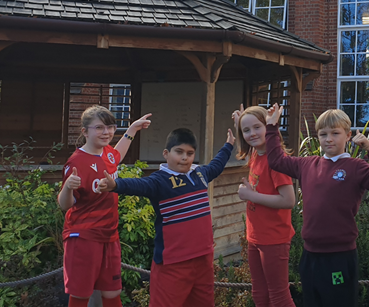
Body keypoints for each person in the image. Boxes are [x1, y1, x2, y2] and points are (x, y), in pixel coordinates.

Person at [265, 104, 369, 307]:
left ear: (348, 136)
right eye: (323, 134)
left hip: (339, 257)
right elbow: (275, 160)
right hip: (310, 256)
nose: (328, 139)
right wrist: (272, 127)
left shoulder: (356, 167)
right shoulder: (307, 164)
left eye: (335, 133)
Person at [95, 127, 235, 307]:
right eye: (179, 152)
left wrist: (229, 144)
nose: (184, 157)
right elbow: (138, 185)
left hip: (203, 258)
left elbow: (216, 165)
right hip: (172, 263)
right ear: (166, 153)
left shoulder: (200, 174)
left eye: (190, 153)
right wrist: (115, 185)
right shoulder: (159, 181)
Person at [58, 106, 152, 307]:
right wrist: (67, 187)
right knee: (81, 294)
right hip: (83, 236)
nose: (106, 132)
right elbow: (65, 205)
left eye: (110, 127)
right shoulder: (76, 162)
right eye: (99, 128)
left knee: (112, 291)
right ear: (85, 131)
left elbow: (117, 155)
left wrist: (133, 129)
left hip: (110, 235)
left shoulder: (107, 152)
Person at [231, 105, 297, 307]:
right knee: (260, 295)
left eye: (257, 127)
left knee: (279, 297)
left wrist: (251, 195)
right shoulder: (256, 154)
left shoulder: (277, 161)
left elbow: (288, 200)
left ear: (268, 127)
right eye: (246, 130)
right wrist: (240, 123)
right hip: (255, 236)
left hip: (273, 238)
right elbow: (251, 140)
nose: (252, 134)